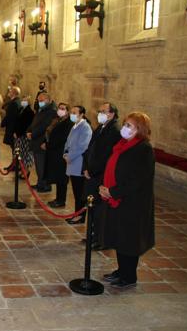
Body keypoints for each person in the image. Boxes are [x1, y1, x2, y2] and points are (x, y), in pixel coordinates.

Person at [99, 112, 155, 289]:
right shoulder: (123, 145)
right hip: (118, 199)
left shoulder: (143, 149)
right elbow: (113, 168)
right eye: (125, 124)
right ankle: (121, 270)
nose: (125, 128)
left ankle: (129, 276)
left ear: (140, 129)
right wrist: (105, 187)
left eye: (129, 125)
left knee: (130, 240)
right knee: (120, 237)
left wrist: (113, 192)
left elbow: (137, 180)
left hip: (133, 203)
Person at [83, 102, 121, 249]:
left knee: (101, 210)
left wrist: (92, 171)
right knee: (94, 206)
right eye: (99, 111)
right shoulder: (101, 127)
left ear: (111, 114)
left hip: (102, 175)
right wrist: (86, 167)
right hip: (92, 173)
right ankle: (93, 234)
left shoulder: (114, 130)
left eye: (103, 111)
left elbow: (106, 156)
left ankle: (102, 240)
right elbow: (91, 148)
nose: (100, 114)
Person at [63, 106, 92, 224]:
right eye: (71, 113)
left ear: (82, 114)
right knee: (75, 191)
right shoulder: (75, 126)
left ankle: (80, 216)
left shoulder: (85, 128)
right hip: (71, 162)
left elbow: (82, 146)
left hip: (78, 163)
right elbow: (67, 142)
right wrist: (65, 153)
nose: (72, 115)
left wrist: (69, 157)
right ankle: (77, 214)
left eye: (74, 113)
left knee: (80, 192)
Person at [43, 103, 73, 209]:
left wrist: (48, 145)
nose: (60, 110)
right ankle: (58, 198)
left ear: (67, 111)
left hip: (61, 153)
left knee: (62, 178)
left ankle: (61, 200)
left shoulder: (69, 123)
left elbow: (62, 139)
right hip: (54, 152)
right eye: (59, 108)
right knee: (57, 177)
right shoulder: (58, 120)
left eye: (63, 109)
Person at [27, 92, 57, 192]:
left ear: (48, 100)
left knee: (43, 165)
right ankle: (40, 182)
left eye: (42, 100)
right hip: (35, 141)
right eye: (39, 100)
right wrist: (29, 131)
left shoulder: (51, 112)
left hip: (41, 141)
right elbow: (34, 122)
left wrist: (33, 134)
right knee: (38, 165)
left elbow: (44, 126)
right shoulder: (41, 110)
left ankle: (45, 185)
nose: (40, 102)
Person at [14, 96, 35, 173]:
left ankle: (26, 171)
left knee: (25, 154)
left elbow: (26, 125)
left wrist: (19, 133)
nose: (23, 101)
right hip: (19, 135)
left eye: (25, 100)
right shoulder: (21, 109)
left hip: (24, 136)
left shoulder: (30, 112)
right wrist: (15, 132)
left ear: (29, 102)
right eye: (22, 100)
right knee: (20, 153)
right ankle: (21, 168)